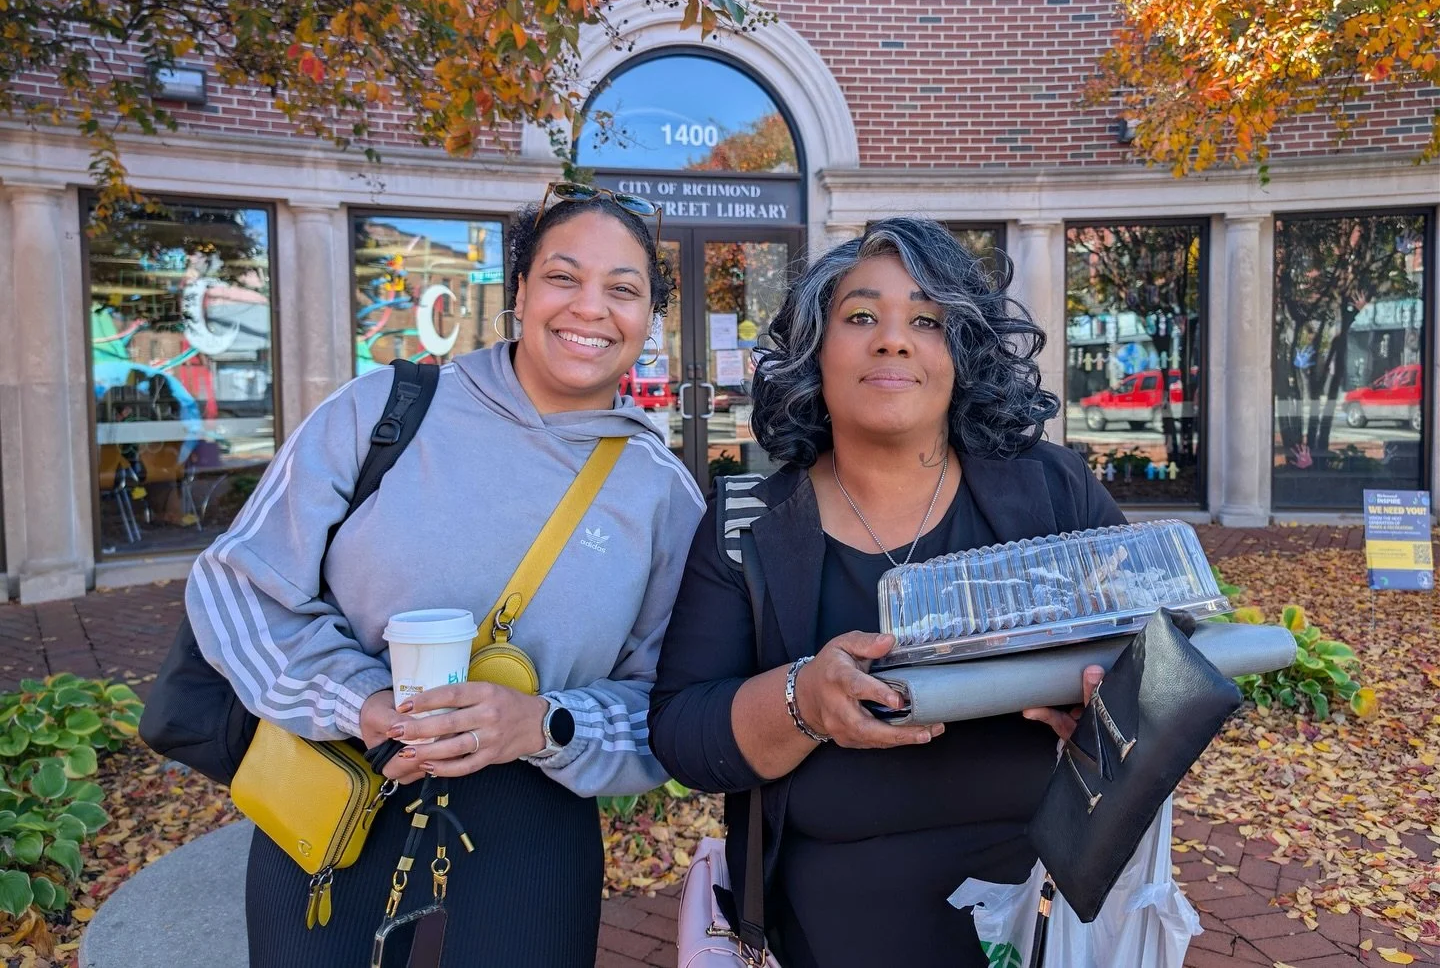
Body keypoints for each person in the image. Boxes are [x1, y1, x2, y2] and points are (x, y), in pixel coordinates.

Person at [186, 183, 705, 967]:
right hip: (335, 793)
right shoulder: (384, 411)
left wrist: (541, 722)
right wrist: (358, 700)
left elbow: (668, 704)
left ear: (648, 318)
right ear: (521, 290)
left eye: (623, 288)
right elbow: (236, 588)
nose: (590, 308)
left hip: (531, 838)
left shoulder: (663, 494)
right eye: (564, 276)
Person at [649, 217, 1123, 968]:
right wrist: (804, 701)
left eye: (927, 320)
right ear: (815, 350)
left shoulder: (1052, 492)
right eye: (861, 315)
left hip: (1049, 921)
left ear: (960, 353)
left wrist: (1109, 714)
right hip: (831, 936)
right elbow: (683, 733)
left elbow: (1165, 668)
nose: (893, 339)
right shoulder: (749, 525)